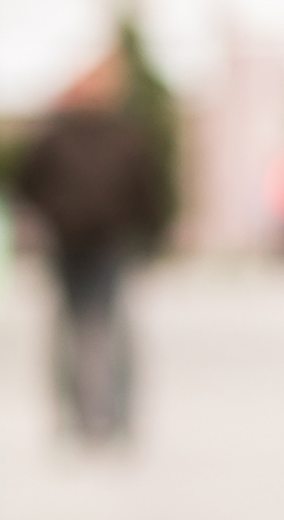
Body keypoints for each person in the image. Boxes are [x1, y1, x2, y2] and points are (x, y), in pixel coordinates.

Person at [15, 45, 173, 441]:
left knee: (96, 326)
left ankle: (100, 413)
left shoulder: (79, 134)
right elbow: (147, 191)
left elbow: (144, 189)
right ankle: (88, 412)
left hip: (100, 241)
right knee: (89, 326)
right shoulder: (101, 134)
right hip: (82, 241)